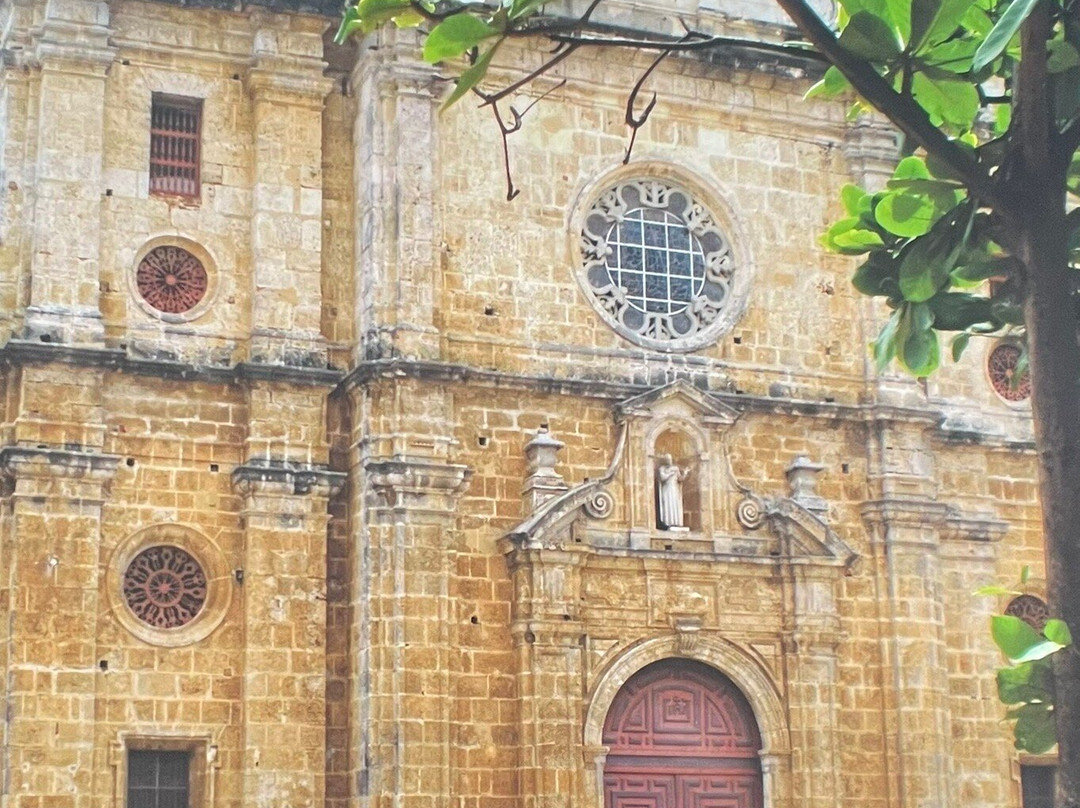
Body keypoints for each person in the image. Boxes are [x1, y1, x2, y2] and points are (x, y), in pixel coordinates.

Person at [656, 454, 691, 529]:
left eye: (670, 459)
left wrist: (685, 473)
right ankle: (668, 523)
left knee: (675, 504)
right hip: (666, 489)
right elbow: (662, 478)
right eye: (667, 459)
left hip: (674, 488)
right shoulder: (662, 469)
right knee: (668, 504)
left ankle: (676, 522)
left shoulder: (675, 468)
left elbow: (680, 479)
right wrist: (671, 473)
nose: (669, 461)